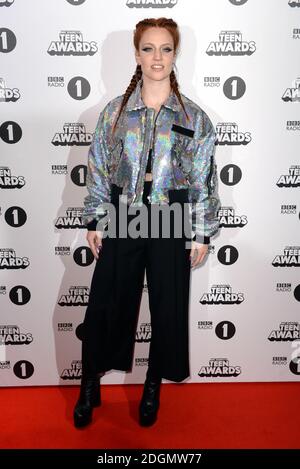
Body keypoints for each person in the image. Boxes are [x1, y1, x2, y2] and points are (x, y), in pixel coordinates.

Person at [73, 17, 221, 428]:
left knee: (166, 306)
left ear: (176, 54)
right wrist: (95, 218)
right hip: (123, 213)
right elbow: (99, 168)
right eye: (149, 48)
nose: (157, 57)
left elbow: (203, 176)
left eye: (166, 48)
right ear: (137, 54)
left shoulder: (194, 118)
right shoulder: (115, 113)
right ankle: (90, 383)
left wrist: (202, 231)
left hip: (171, 215)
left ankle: (152, 386)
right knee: (106, 302)